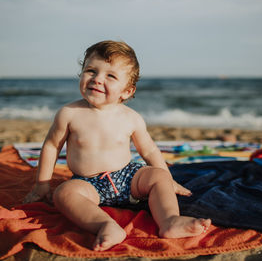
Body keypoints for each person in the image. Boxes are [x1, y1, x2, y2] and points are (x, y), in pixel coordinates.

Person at [24, 40, 211, 251]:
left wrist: (169, 180)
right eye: (91, 70)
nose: (97, 79)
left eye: (110, 76)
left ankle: (169, 221)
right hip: (88, 183)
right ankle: (106, 226)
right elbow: (51, 146)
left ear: (127, 91)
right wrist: (42, 184)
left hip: (128, 177)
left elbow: (149, 150)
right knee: (64, 193)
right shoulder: (69, 113)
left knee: (158, 176)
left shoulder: (131, 118)